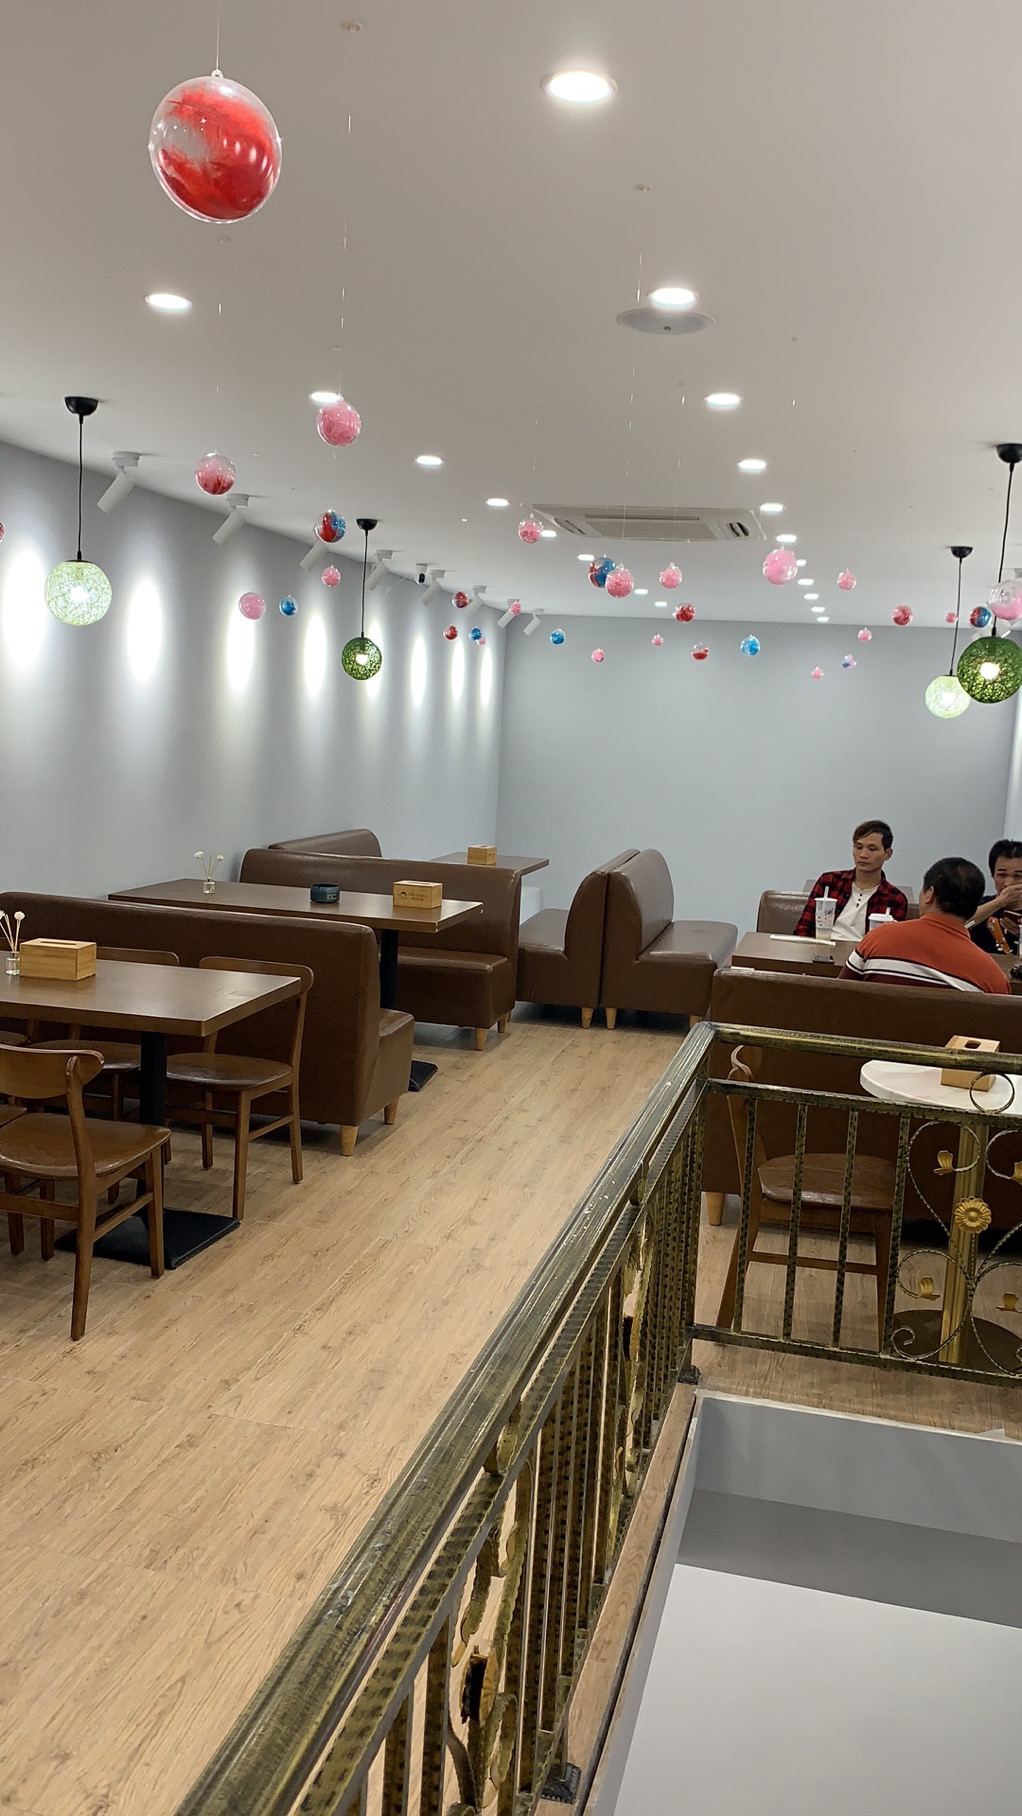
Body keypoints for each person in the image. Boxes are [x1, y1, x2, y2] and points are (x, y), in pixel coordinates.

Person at [841, 857, 1009, 992]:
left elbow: (839, 995)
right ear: (973, 908)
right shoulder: (993, 978)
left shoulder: (878, 939)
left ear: (930, 894)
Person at [794, 819, 908, 940]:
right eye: (858, 847)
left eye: (872, 849)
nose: (863, 855)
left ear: (888, 853)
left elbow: (892, 944)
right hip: (822, 946)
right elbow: (803, 928)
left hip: (864, 950)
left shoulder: (895, 898)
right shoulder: (829, 881)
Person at [968, 839, 1022, 956]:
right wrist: (999, 902)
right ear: (993, 875)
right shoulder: (978, 905)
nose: (1008, 883)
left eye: (1018, 876)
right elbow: (957, 924)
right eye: (1002, 875)